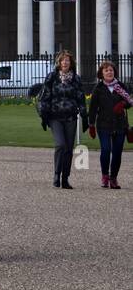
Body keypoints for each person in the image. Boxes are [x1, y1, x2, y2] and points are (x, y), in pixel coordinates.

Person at [37, 50, 87, 189]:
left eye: (68, 60)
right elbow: (44, 97)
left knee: (68, 149)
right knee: (60, 145)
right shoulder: (52, 77)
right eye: (63, 60)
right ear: (59, 63)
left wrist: (84, 115)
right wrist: (43, 114)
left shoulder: (75, 79)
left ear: (71, 63)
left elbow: (80, 98)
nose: (65, 62)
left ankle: (65, 178)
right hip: (55, 117)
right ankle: (56, 174)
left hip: (70, 117)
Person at [87, 60, 130, 189]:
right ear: (102, 73)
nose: (109, 72)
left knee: (117, 153)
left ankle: (113, 178)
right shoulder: (98, 88)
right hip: (103, 124)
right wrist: (91, 125)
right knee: (106, 150)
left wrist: (123, 104)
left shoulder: (120, 86)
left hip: (120, 124)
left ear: (114, 72)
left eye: (111, 70)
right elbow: (93, 108)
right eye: (106, 70)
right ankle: (105, 175)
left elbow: (129, 101)